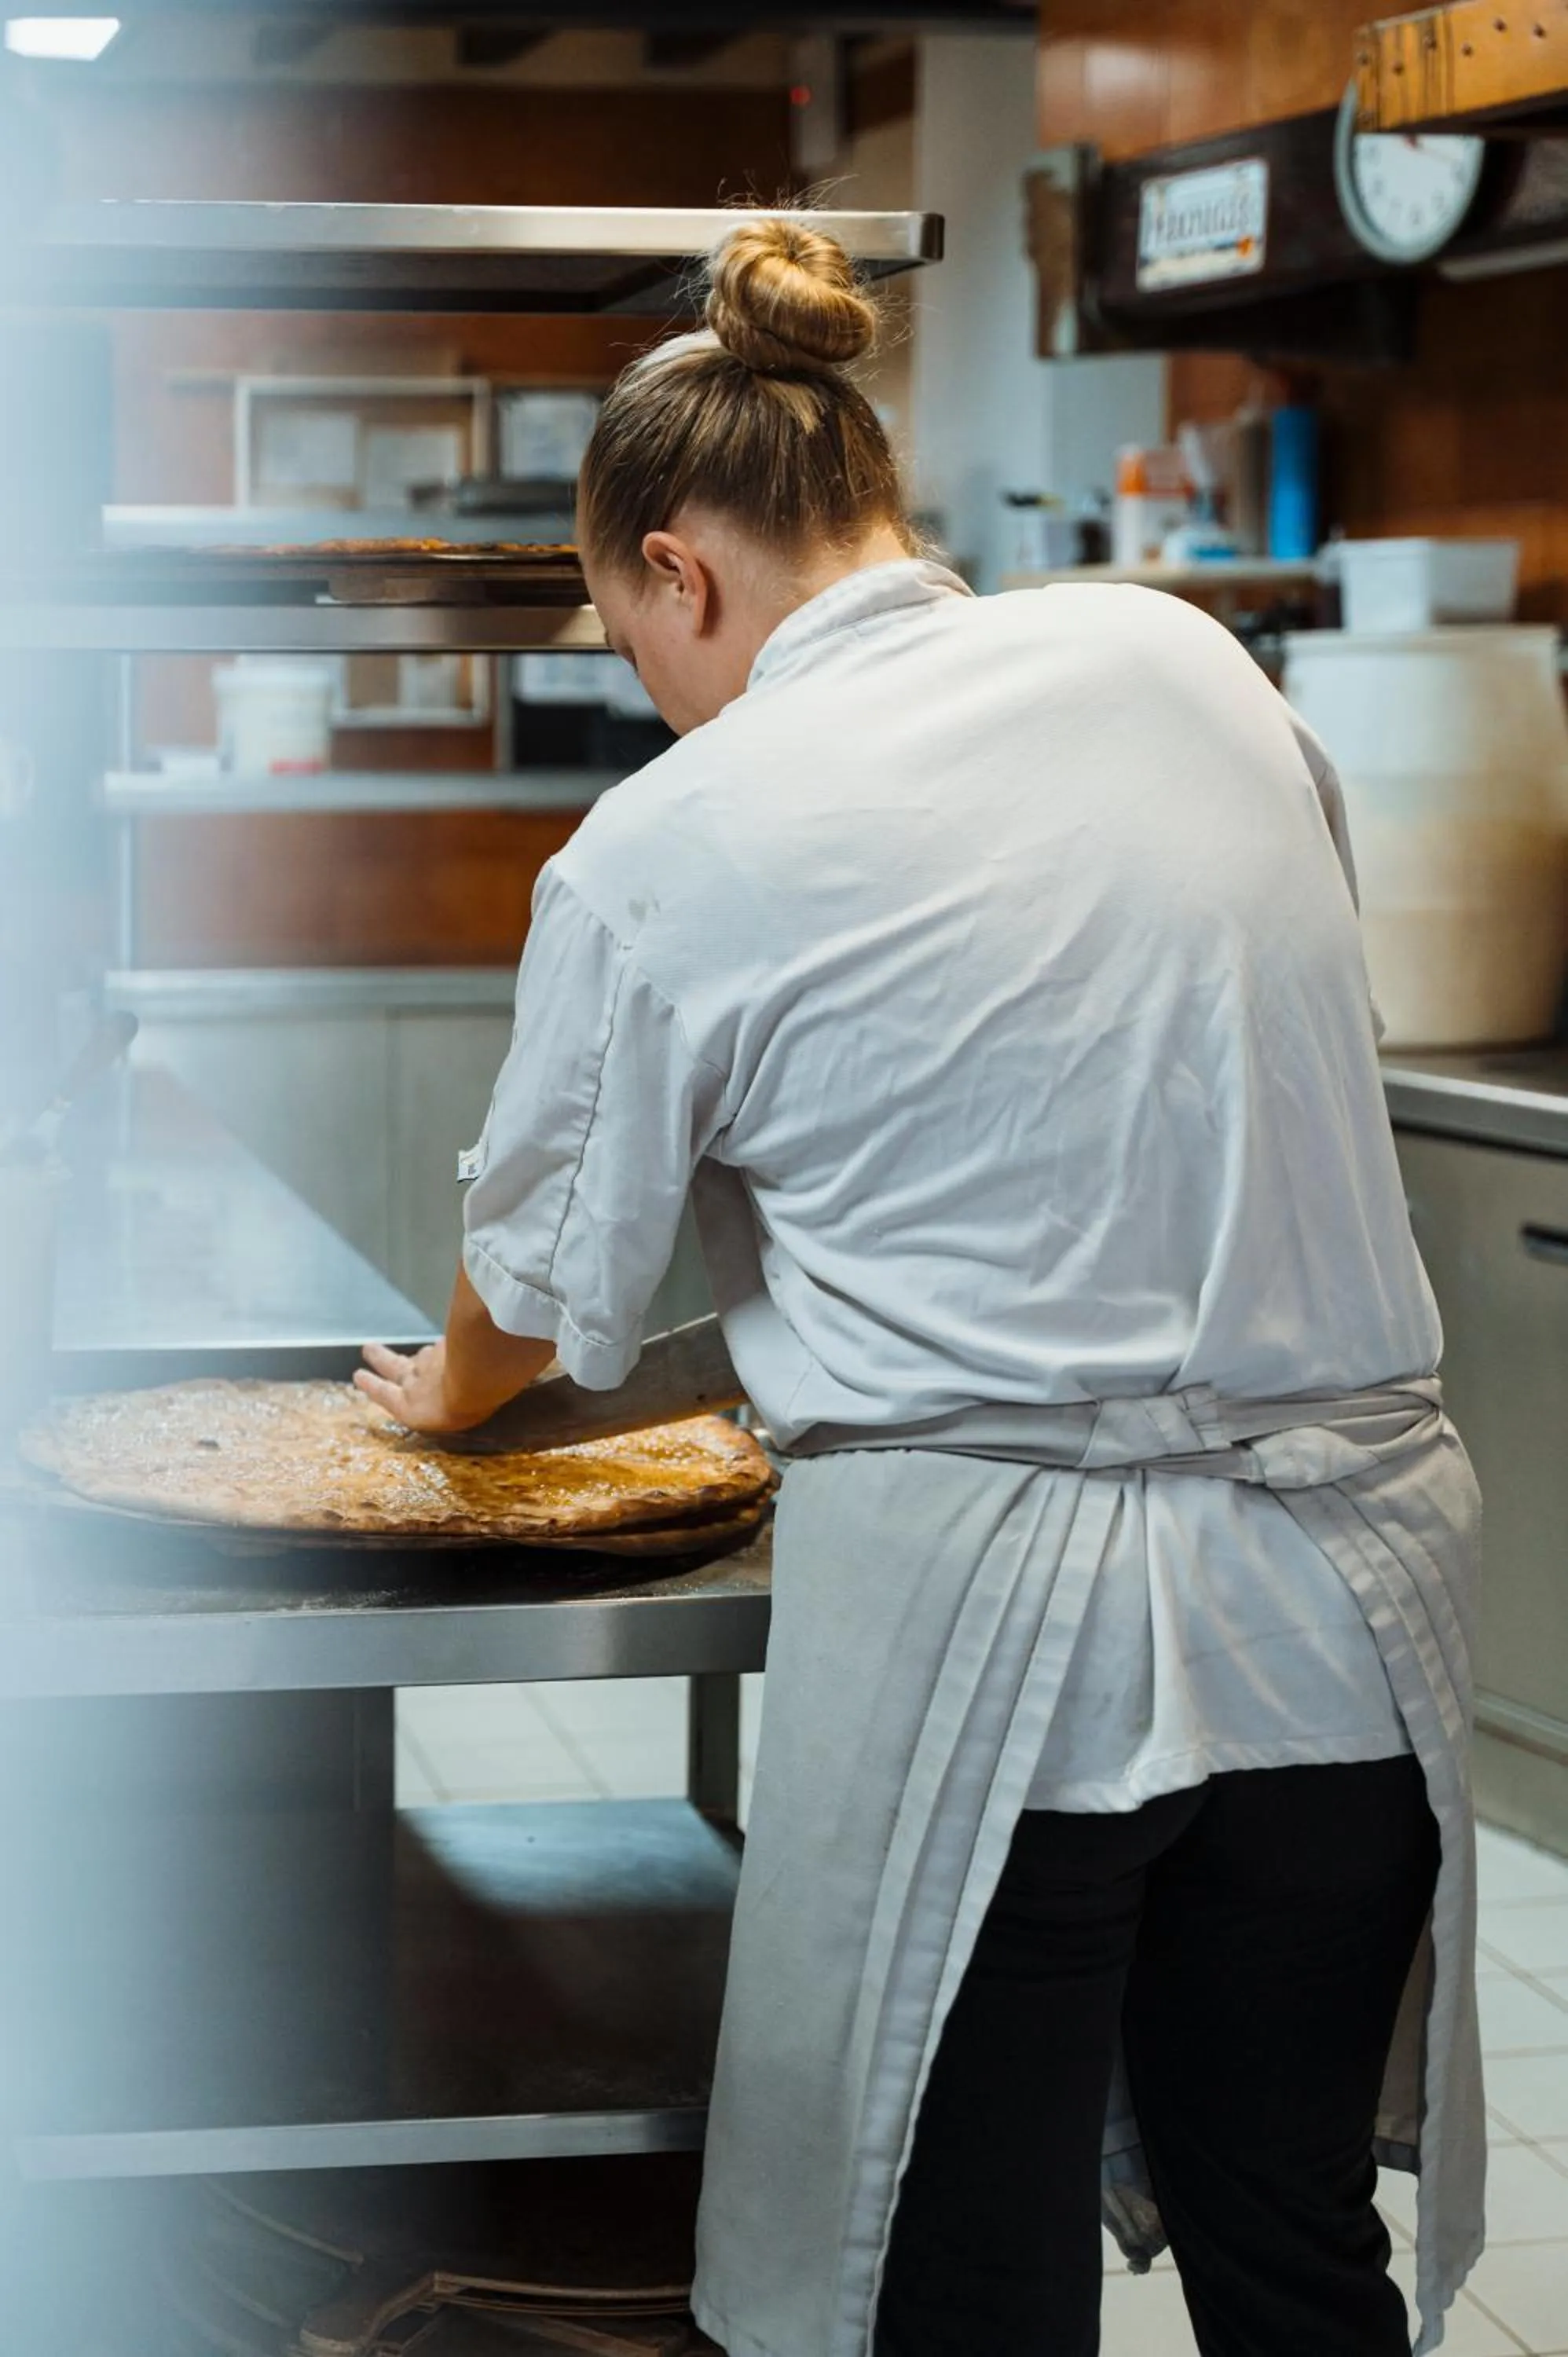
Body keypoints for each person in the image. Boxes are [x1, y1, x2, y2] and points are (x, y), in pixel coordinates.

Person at [357, 218, 1483, 2357]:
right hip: (1335, 1604)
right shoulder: (1182, 663)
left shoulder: (670, 841)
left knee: (962, 2280)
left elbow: (539, 1275)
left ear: (675, 568)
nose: (649, 692)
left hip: (1002, 1653)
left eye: (627, 638)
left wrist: (447, 1395)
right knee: (1288, 2229)